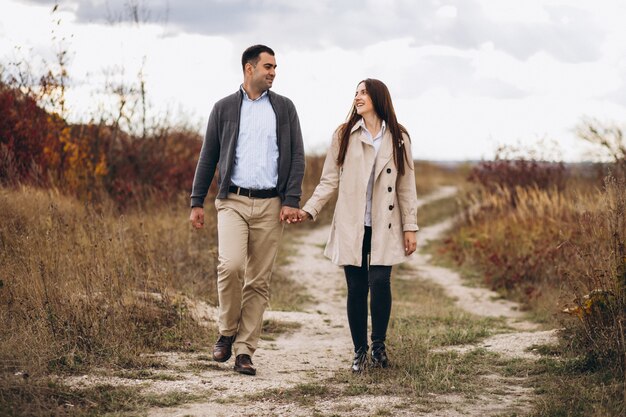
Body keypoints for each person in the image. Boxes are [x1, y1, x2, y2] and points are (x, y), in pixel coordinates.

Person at [189, 44, 305, 376]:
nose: (273, 72)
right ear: (249, 68)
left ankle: (244, 350)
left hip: (271, 204)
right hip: (232, 201)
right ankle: (227, 330)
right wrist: (197, 201)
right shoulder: (224, 108)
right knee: (231, 266)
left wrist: (291, 199)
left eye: (275, 67)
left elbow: (297, 156)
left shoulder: (284, 109)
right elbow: (207, 156)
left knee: (258, 280)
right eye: (268, 66)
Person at [298, 78, 418, 372]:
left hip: (385, 223)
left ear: (378, 97)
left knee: (379, 282)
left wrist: (410, 226)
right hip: (352, 221)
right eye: (356, 92)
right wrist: (310, 209)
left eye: (363, 92)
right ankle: (359, 352)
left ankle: (378, 348)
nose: (357, 97)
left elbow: (406, 184)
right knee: (356, 287)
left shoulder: (399, 136)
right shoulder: (344, 135)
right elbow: (330, 179)